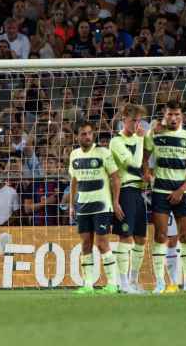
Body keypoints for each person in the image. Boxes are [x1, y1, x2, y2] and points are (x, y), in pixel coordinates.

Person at [143, 101, 186, 294]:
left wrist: (182, 189)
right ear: (164, 116)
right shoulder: (156, 135)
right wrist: (148, 176)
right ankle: (160, 282)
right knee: (161, 237)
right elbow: (144, 158)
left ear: (182, 116)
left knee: (185, 236)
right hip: (160, 192)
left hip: (182, 193)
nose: (173, 118)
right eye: (169, 115)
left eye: (176, 114)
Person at [69, 121, 123, 294]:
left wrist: (115, 202)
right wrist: (71, 204)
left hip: (101, 206)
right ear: (77, 136)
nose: (87, 137)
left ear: (93, 135)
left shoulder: (103, 153)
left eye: (89, 133)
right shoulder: (74, 155)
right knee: (85, 244)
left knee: (101, 244)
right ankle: (87, 284)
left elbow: (115, 178)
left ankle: (113, 284)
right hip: (83, 207)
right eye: (83, 134)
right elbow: (74, 181)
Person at [108, 104, 147, 293]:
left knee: (140, 238)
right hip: (125, 192)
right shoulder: (116, 141)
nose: (136, 124)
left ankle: (133, 281)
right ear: (124, 119)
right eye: (133, 120)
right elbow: (134, 165)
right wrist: (140, 140)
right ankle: (122, 283)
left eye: (139, 121)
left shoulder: (140, 138)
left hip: (139, 193)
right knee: (126, 237)